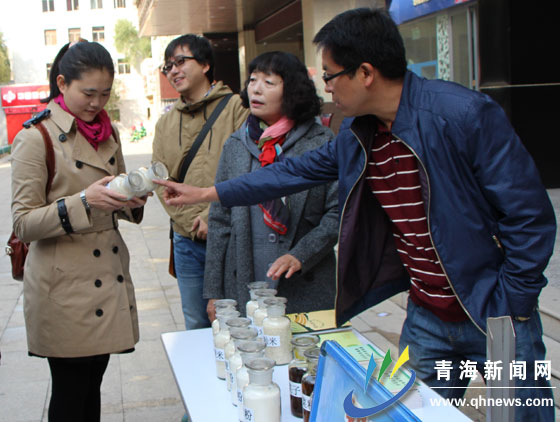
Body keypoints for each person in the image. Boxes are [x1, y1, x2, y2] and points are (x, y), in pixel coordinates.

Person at [155, 8, 557, 420]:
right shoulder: (357, 132)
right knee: (408, 415)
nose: (325, 86)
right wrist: (209, 191)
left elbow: (530, 217)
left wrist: (514, 301)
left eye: (330, 75)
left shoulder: (464, 115)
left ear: (365, 73)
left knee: (521, 416)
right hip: (427, 315)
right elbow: (292, 173)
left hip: (494, 311)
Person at [11, 41, 148, 421]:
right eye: (88, 92)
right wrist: (84, 201)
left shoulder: (108, 132)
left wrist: (132, 198)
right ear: (62, 83)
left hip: (107, 274)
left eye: (105, 93)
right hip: (64, 288)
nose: (96, 102)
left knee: (92, 387)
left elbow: (115, 192)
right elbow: (23, 223)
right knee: (71, 392)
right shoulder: (34, 138)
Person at [204, 51, 338, 320]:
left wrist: (301, 254)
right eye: (253, 80)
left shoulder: (321, 142)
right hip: (244, 280)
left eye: (269, 82)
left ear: (292, 91)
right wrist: (214, 292)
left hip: (304, 283)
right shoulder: (236, 145)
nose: (256, 88)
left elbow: (338, 213)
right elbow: (219, 221)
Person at [152, 34, 249, 330]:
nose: (173, 71)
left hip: (232, 236)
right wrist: (191, 220)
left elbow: (247, 168)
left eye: (181, 61)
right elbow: (159, 179)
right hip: (185, 241)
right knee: (195, 321)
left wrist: (212, 216)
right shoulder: (165, 123)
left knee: (235, 320)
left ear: (206, 64)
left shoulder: (236, 108)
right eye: (168, 66)